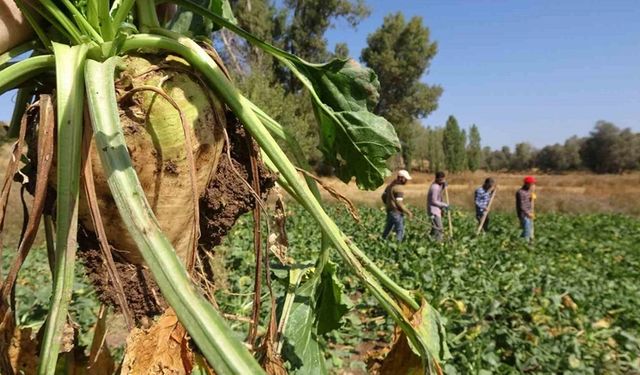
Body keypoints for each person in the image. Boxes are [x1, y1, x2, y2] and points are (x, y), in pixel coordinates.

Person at [381, 170, 413, 242]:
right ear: (401, 178)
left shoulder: (390, 186)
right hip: (396, 213)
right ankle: (398, 246)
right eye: (405, 179)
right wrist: (408, 212)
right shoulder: (399, 188)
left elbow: (383, 197)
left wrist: (389, 204)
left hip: (389, 211)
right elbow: (399, 203)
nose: (406, 181)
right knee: (400, 230)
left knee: (387, 229)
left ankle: (381, 240)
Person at [427, 171, 449, 242]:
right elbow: (434, 201)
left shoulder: (439, 185)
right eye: (441, 180)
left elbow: (440, 194)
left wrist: (444, 185)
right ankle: (438, 244)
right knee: (439, 228)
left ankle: (428, 241)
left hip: (437, 210)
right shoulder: (434, 187)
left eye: (443, 179)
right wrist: (445, 205)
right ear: (437, 179)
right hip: (433, 211)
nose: (442, 181)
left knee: (434, 228)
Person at [516, 176, 536, 241]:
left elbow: (529, 203)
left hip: (529, 214)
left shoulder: (529, 192)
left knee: (529, 230)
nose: (533, 185)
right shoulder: (520, 192)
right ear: (527, 184)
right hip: (524, 215)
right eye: (532, 184)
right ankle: (525, 245)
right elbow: (522, 206)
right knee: (526, 232)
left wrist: (532, 197)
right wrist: (528, 213)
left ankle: (525, 242)